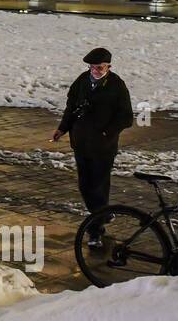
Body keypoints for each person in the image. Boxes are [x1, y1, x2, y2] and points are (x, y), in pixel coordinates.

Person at [51, 47, 134, 248]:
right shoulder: (81, 81)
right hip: (81, 143)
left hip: (103, 147)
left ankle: (95, 230)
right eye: (92, 67)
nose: (95, 71)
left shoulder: (117, 85)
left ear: (108, 67)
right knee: (85, 186)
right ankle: (103, 213)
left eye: (99, 67)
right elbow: (71, 107)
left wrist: (107, 132)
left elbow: (127, 117)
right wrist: (62, 128)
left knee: (98, 187)